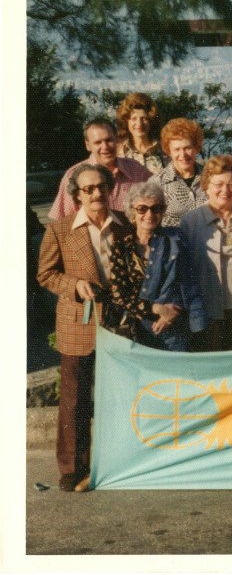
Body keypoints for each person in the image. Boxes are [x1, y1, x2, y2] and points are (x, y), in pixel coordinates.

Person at [37, 163, 133, 492]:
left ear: (110, 189)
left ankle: (114, 463)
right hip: (78, 322)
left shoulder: (125, 224)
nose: (96, 194)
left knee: (116, 397)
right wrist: (75, 285)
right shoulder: (60, 229)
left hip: (118, 324)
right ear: (77, 195)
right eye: (88, 189)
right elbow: (45, 274)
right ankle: (73, 468)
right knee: (74, 400)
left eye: (101, 187)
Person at [104, 181, 208, 352]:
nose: (149, 214)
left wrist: (170, 314)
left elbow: (189, 283)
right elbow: (119, 293)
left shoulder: (175, 240)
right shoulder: (122, 247)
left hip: (174, 327)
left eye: (156, 208)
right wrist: (156, 308)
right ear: (132, 212)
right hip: (137, 329)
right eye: (142, 209)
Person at [178, 155, 232, 351]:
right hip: (205, 313)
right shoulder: (190, 222)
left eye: (231, 184)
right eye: (219, 184)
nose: (225, 190)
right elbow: (184, 272)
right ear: (206, 186)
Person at [49, 118, 151, 220]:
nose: (105, 147)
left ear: (117, 140)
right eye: (98, 142)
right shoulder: (73, 176)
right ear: (88, 145)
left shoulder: (137, 171)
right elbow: (61, 222)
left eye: (109, 140)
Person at [156, 118, 206, 228]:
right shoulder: (157, 183)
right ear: (169, 151)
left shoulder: (210, 177)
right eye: (177, 149)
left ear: (197, 149)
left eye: (187, 148)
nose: (183, 155)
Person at [114, 92, 166, 173]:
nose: (139, 124)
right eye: (134, 119)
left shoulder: (164, 149)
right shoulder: (118, 151)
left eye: (144, 118)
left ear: (151, 121)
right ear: (126, 121)